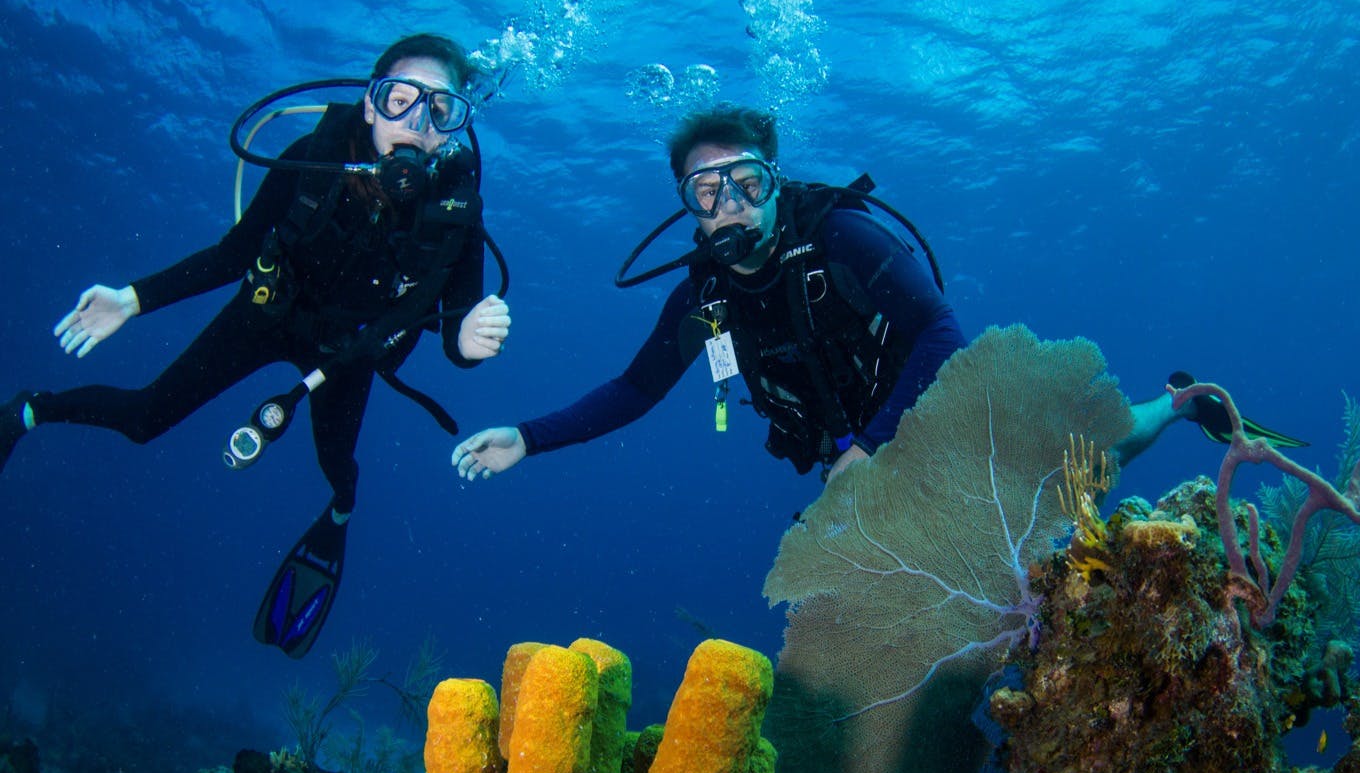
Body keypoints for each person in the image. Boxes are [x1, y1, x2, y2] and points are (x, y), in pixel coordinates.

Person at [450, 103, 1300, 490]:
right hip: (859, 457)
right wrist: (529, 437)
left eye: (746, 182)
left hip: (936, 412)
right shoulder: (703, 300)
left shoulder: (841, 239)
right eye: (705, 192)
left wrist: (869, 443)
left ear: (775, 183)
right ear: (687, 209)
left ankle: (1181, 401)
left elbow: (940, 330)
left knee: (1089, 461)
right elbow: (636, 389)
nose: (729, 205)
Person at [0, 33, 511, 658]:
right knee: (144, 419)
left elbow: (456, 331)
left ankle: (337, 520)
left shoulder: (457, 213)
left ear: (453, 129)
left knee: (339, 471)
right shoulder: (313, 159)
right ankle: (29, 410)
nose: (416, 122)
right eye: (400, 99)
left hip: (344, 357)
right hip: (266, 313)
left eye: (440, 109)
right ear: (370, 104)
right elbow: (232, 255)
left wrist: (466, 344)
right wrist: (132, 300)